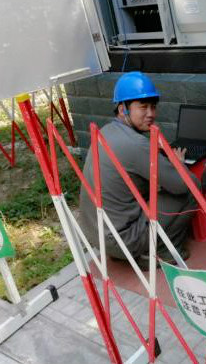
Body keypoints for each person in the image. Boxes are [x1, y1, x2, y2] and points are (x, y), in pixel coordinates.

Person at [78, 71, 197, 268]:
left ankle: (129, 250)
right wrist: (178, 164)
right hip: (123, 240)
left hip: (98, 237)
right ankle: (160, 251)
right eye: (143, 107)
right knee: (193, 186)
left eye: (153, 106)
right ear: (122, 108)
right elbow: (182, 185)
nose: (151, 114)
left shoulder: (105, 132)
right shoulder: (135, 143)